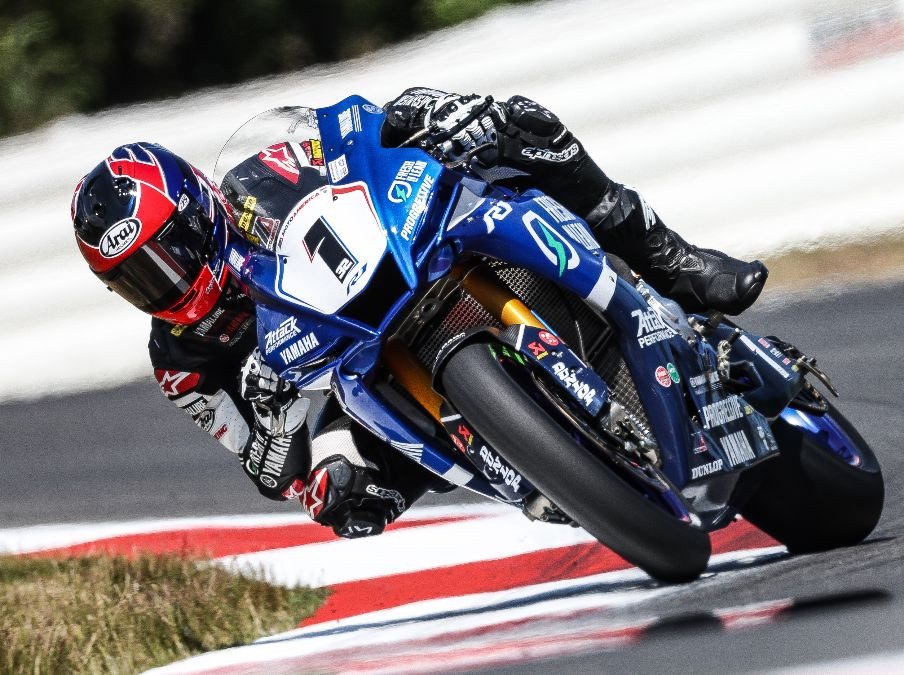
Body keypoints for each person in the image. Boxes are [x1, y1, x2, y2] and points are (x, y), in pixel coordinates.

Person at [70, 88, 769, 539]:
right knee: (339, 500)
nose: (164, 284)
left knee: (516, 125)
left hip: (396, 261)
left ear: (197, 211)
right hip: (347, 385)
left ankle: (671, 259)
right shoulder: (181, 362)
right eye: (135, 281)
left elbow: (355, 133)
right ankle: (533, 466)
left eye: (166, 256)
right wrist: (277, 418)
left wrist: (422, 115)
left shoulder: (258, 179)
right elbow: (269, 470)